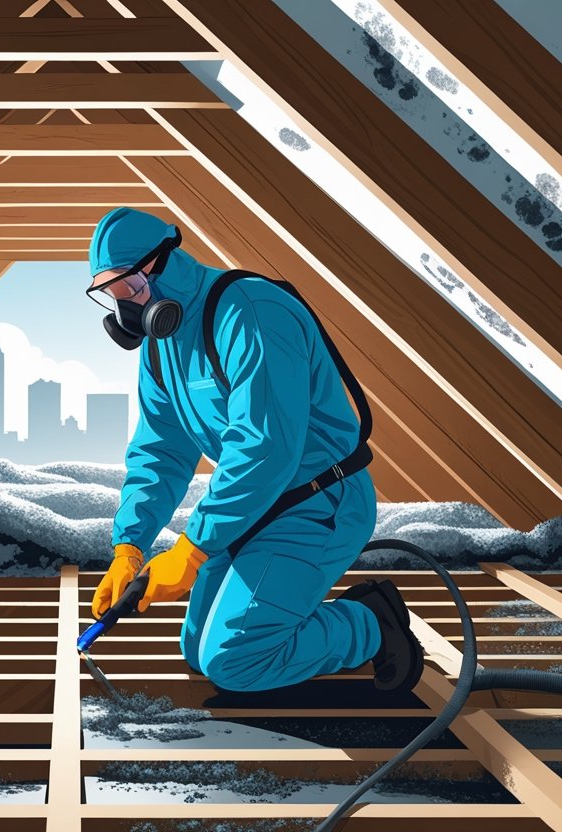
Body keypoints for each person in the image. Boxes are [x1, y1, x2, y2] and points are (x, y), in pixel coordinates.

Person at [87, 206, 422, 694]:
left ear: (166, 263)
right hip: (255, 510)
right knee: (197, 649)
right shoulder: (161, 346)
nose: (126, 307)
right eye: (111, 293)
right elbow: (160, 450)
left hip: (318, 502)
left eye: (131, 287)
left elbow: (265, 447)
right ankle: (303, 617)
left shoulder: (250, 312)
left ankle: (370, 624)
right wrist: (129, 547)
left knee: (234, 659)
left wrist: (193, 549)